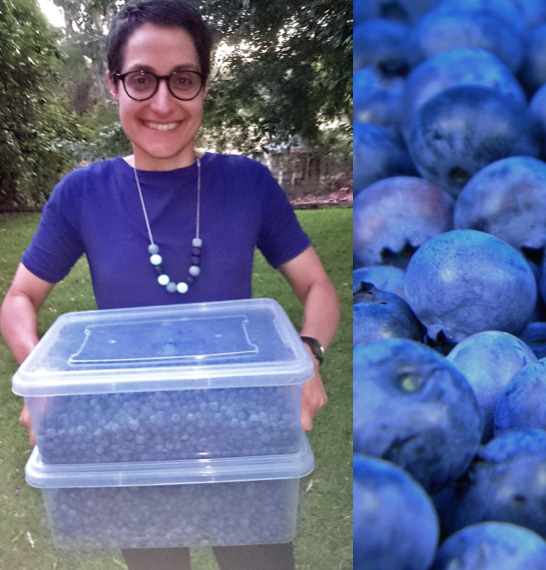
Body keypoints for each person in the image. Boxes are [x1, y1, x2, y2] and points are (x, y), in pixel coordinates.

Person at [0, 0, 340, 568]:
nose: (163, 102)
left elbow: (319, 288)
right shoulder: (82, 194)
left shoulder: (248, 184)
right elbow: (19, 298)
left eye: (183, 80)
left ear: (204, 86)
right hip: (136, 439)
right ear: (114, 86)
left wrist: (308, 354)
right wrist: (40, 377)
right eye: (141, 79)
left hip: (244, 435)